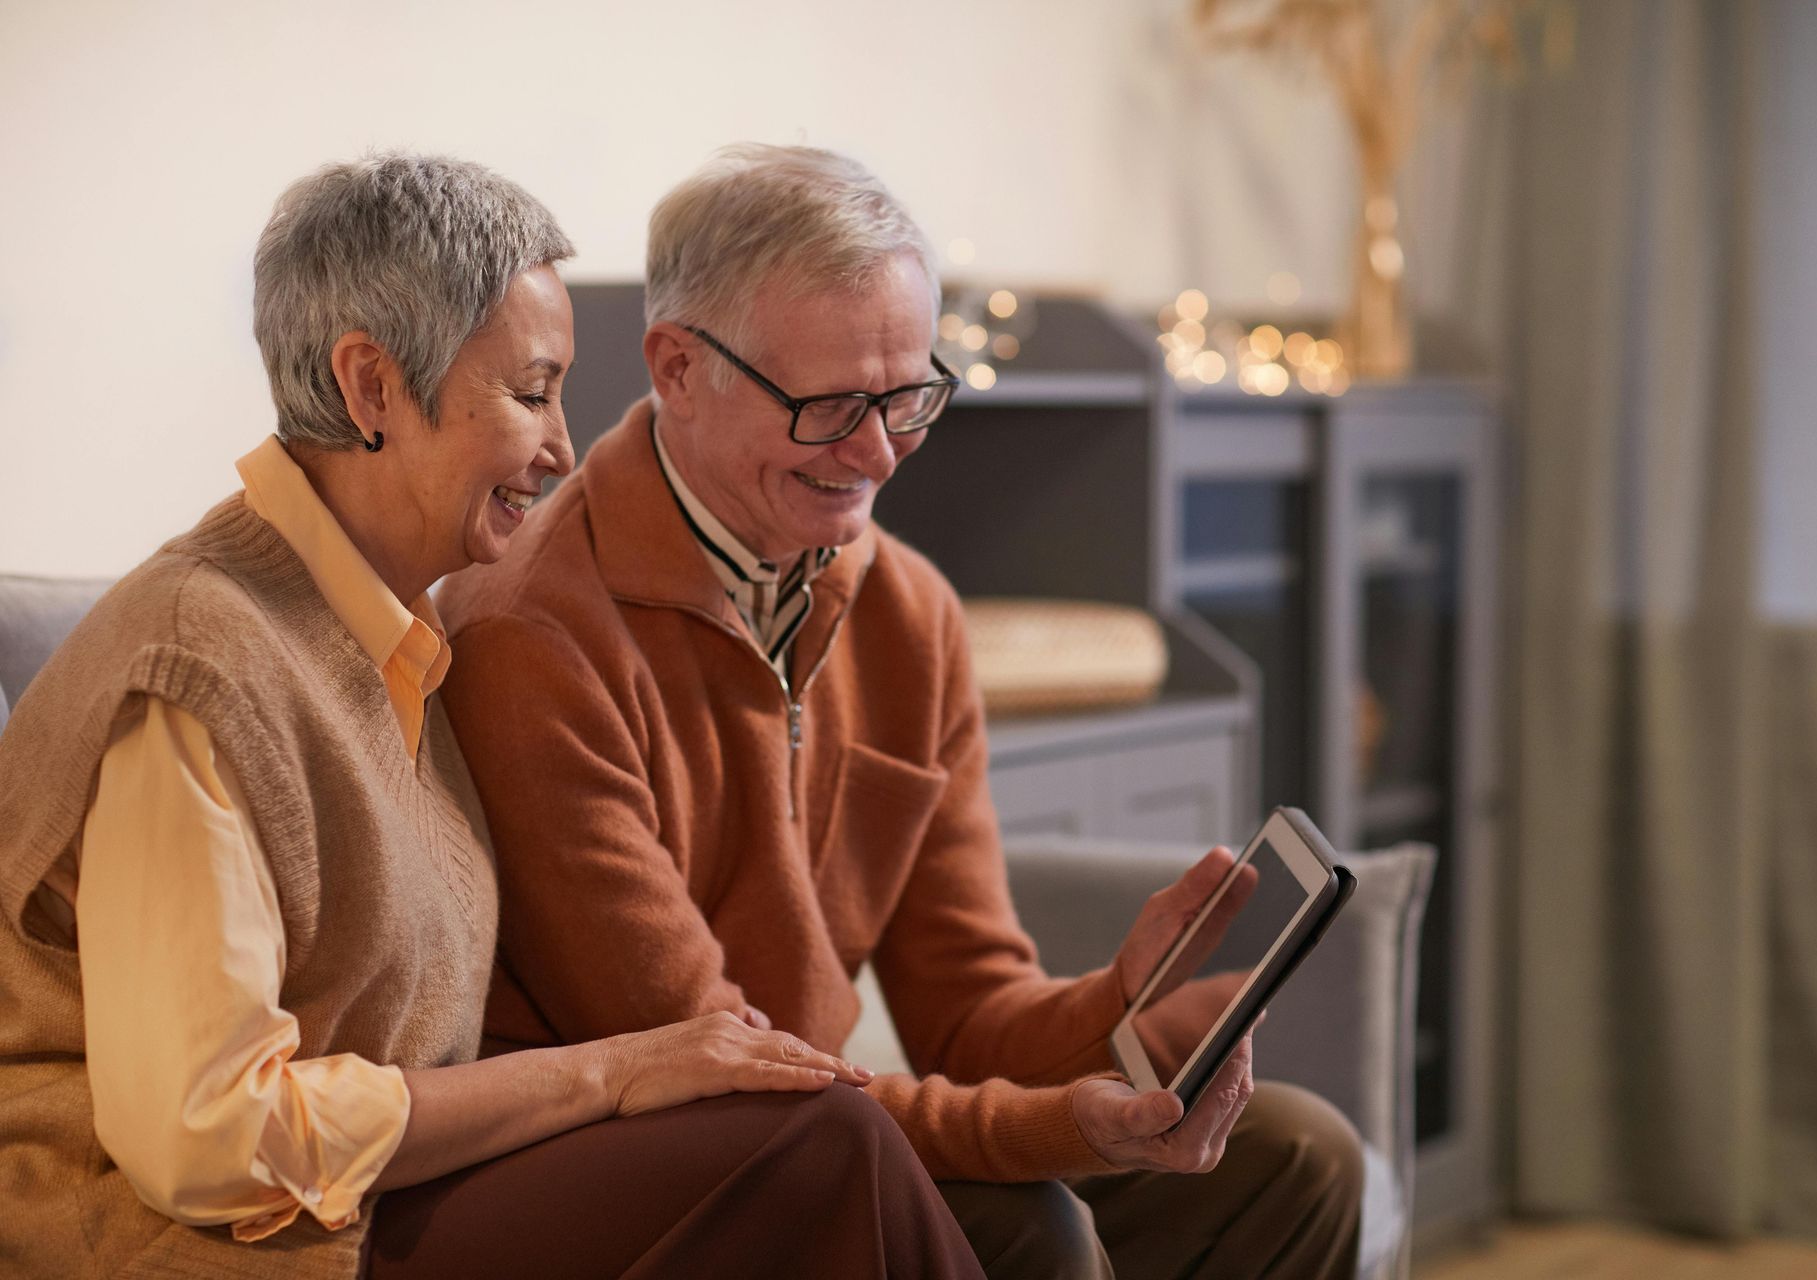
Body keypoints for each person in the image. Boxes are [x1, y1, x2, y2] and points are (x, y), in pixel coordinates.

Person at [0, 152, 983, 1280]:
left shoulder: (386, 638)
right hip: (183, 1238)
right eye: (530, 392)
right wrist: (608, 1072)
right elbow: (207, 1139)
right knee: (821, 1149)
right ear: (372, 388)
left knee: (853, 1169)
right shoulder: (196, 668)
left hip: (375, 1195)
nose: (563, 447)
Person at [436, 143, 1365, 1279]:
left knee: (1301, 1160)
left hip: (822, 1129)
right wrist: (1063, 1127)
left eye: (909, 394)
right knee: (1032, 1226)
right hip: (654, 1173)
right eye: (829, 406)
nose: (879, 453)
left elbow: (970, 1013)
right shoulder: (532, 634)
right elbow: (733, 1071)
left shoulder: (910, 610)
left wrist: (1129, 1002)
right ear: (677, 367)